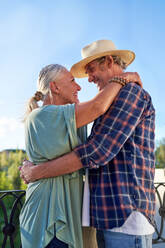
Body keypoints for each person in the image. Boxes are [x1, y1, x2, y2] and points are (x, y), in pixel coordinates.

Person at [20, 39, 155, 248]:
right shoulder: (51, 115)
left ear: (109, 61)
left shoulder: (130, 93)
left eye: (91, 70)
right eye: (74, 80)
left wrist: (36, 171)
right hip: (99, 217)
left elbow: (96, 150)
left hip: (124, 218)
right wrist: (124, 78)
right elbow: (95, 110)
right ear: (54, 87)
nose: (87, 81)